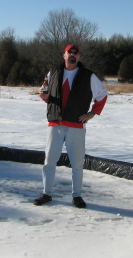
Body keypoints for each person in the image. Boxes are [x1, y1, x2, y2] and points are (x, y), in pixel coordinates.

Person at [34, 44, 108, 208]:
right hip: (55, 123)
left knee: (77, 163)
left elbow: (102, 95)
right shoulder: (53, 73)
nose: (73, 55)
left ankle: (77, 196)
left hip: (76, 124)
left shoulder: (88, 76)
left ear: (79, 56)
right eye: (70, 52)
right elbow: (47, 95)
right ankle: (46, 193)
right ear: (64, 55)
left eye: (76, 53)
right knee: (49, 161)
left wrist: (92, 113)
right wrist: (42, 95)